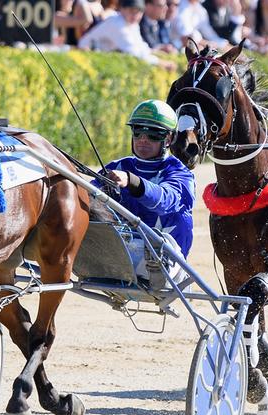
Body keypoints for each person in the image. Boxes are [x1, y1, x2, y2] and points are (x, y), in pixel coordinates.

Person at [98, 100, 195, 281]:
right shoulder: (118, 166)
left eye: (153, 134)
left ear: (169, 139)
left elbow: (167, 200)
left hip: (163, 263)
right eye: (138, 131)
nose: (143, 138)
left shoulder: (180, 173)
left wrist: (132, 181)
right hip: (117, 256)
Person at [78, 0, 176, 70]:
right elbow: (134, 52)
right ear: (122, 9)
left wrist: (156, 51)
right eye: (131, 11)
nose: (134, 15)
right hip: (85, 57)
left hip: (99, 58)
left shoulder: (131, 23)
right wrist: (162, 63)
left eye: (138, 12)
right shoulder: (117, 24)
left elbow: (140, 47)